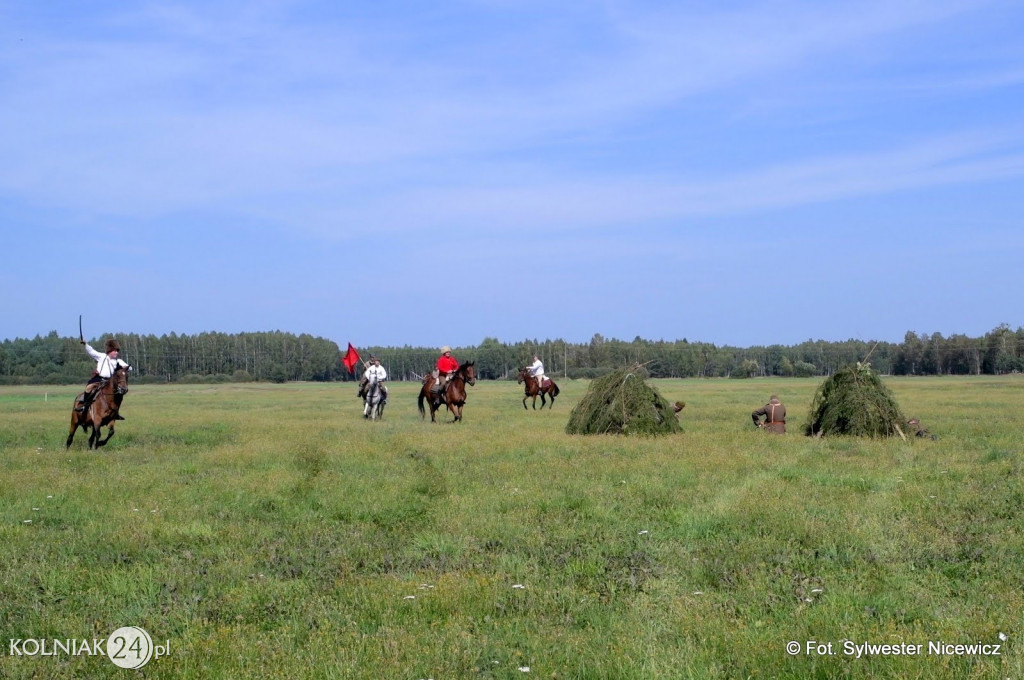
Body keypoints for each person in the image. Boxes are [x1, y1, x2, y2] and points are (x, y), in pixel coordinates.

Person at [77, 338, 132, 418]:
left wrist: (125, 367)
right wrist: (85, 344)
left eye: (117, 351)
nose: (116, 352)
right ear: (110, 351)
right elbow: (92, 352)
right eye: (115, 351)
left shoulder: (119, 361)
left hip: (110, 382)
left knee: (119, 395)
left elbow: (130, 368)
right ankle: (84, 406)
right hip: (98, 379)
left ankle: (115, 412)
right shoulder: (102, 356)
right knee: (88, 388)